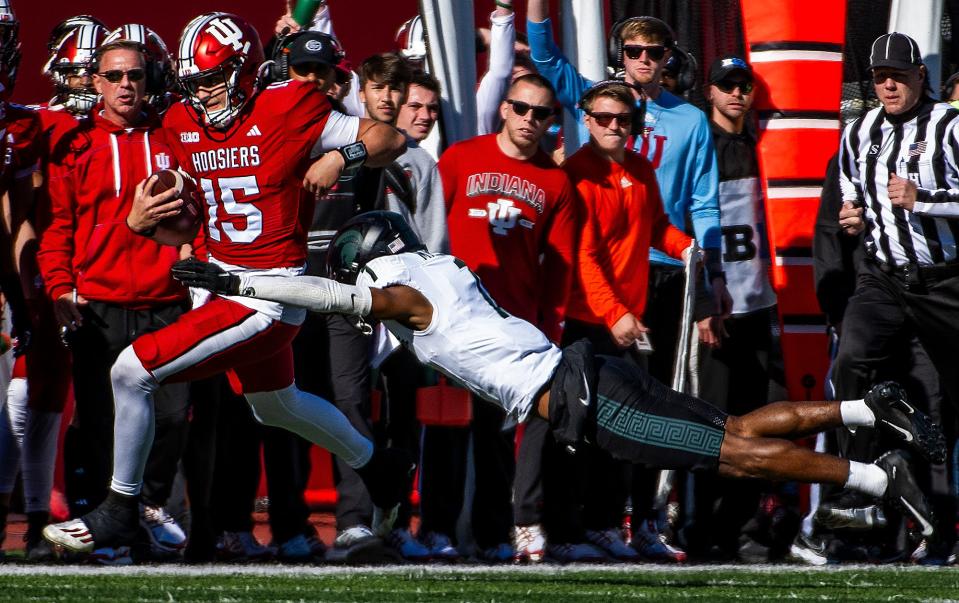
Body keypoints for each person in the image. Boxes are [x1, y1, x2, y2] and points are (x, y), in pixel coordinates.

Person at [172, 210, 946, 546]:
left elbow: (327, 293)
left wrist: (238, 281)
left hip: (581, 396)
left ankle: (881, 481)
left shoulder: (401, 290)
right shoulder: (437, 268)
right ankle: (869, 408)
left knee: (733, 456)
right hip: (584, 368)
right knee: (735, 432)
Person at [41, 11, 409, 556]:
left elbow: (389, 137)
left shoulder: (286, 103)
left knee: (131, 369)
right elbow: (193, 220)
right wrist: (148, 224)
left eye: (212, 80)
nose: (205, 96)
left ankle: (120, 508)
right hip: (227, 285)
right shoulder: (182, 122)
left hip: (272, 290)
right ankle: (379, 466)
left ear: (243, 69)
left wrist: (340, 154)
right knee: (276, 406)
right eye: (194, 85)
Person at [526, 3, 729, 559]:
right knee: (584, 405)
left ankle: (640, 521)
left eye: (654, 53)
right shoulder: (599, 102)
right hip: (598, 289)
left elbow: (702, 207)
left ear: (669, 60)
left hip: (661, 282)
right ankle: (563, 523)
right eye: (634, 52)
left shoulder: (688, 120)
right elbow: (543, 56)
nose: (643, 61)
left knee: (652, 407)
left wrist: (706, 272)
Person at [36, 38, 194, 564]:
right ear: (96, 82)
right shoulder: (77, 146)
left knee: (172, 416)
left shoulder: (173, 137)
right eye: (115, 76)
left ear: (149, 80)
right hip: (98, 304)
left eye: (136, 75)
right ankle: (108, 522)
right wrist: (60, 287)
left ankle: (146, 509)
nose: (126, 85)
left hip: (166, 299)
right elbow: (59, 226)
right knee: (101, 420)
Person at [436, 73, 577, 562]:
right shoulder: (459, 159)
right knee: (446, 429)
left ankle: (494, 535)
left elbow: (560, 265)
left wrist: (549, 329)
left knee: (497, 439)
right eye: (521, 108)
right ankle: (436, 530)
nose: (529, 120)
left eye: (541, 113)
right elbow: (432, 234)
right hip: (451, 319)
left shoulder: (556, 181)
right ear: (504, 108)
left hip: (511, 327)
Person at [834, 31, 959, 558]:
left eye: (899, 76)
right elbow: (850, 194)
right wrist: (852, 217)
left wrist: (922, 198)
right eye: (880, 77)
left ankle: (938, 527)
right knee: (850, 364)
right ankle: (858, 483)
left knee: (937, 402)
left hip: (945, 280)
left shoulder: (950, 126)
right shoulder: (858, 131)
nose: (888, 85)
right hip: (884, 276)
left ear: (920, 77)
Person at [561, 79, 692, 562]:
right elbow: (584, 255)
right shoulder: (577, 174)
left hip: (631, 321)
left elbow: (656, 224)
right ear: (587, 120)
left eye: (624, 120)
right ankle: (589, 526)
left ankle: (626, 524)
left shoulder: (639, 169)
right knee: (593, 430)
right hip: (590, 320)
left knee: (634, 428)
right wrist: (613, 313)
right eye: (604, 118)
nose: (615, 127)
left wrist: (688, 247)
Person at [683, 55, 781, 561]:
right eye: (727, 86)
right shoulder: (704, 147)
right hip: (720, 305)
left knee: (757, 421)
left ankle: (747, 529)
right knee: (714, 425)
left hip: (761, 306)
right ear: (710, 92)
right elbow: (695, 227)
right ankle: (702, 530)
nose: (737, 94)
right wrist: (703, 301)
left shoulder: (765, 147)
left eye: (744, 86)